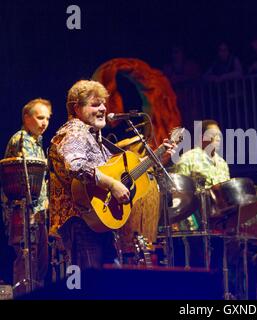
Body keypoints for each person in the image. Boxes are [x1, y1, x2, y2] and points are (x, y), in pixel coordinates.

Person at [48, 80, 175, 271]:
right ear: (76, 109)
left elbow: (126, 171)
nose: (103, 109)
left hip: (96, 221)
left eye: (103, 104)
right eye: (95, 104)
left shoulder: (93, 136)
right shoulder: (74, 131)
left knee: (102, 285)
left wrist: (159, 157)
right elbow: (76, 165)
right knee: (90, 287)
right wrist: (112, 185)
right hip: (80, 219)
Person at [1, 98, 52, 295]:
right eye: (40, 117)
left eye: (47, 118)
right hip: (23, 212)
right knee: (26, 260)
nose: (44, 123)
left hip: (37, 212)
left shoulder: (37, 143)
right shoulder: (20, 139)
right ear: (26, 117)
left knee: (39, 262)